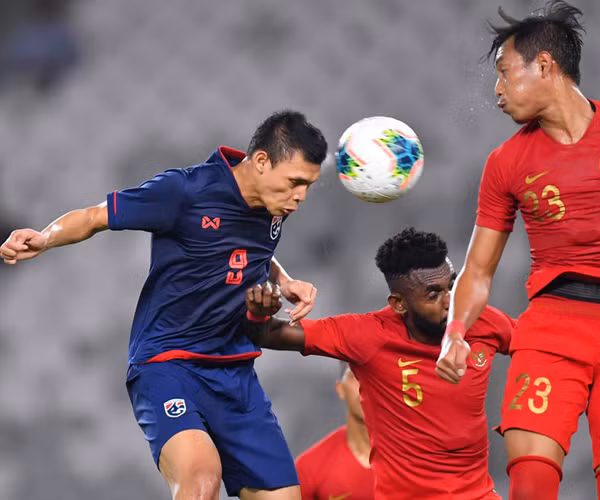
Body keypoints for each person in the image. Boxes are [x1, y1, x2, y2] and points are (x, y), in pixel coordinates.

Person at [0, 110, 328, 500]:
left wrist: (284, 280)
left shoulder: (273, 205)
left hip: (234, 371)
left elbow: (250, 252)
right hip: (168, 364)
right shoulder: (184, 191)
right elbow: (93, 217)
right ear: (260, 161)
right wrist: (45, 237)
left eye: (308, 186)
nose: (300, 197)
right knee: (200, 481)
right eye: (295, 182)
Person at [435, 2, 600, 500]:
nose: (497, 90)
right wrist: (454, 333)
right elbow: (477, 270)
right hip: (551, 329)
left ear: (544, 65)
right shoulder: (506, 163)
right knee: (530, 483)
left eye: (503, 73)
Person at [244, 227, 516, 500]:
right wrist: (259, 311)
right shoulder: (368, 336)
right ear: (399, 304)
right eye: (433, 294)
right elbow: (269, 333)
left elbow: (534, 345)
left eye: (453, 287)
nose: (450, 302)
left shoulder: (481, 321)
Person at [295, 362, 374, 500]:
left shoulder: (412, 457)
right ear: (340, 389)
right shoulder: (309, 468)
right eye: (355, 376)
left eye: (374, 378)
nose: (365, 387)